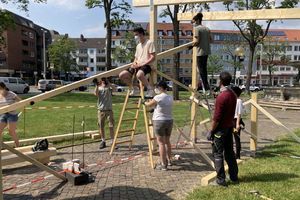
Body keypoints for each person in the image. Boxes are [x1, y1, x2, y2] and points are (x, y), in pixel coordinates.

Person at [208, 72, 238, 186]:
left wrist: (211, 131)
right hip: (229, 128)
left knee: (217, 154)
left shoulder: (222, 97)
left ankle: (221, 180)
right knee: (230, 153)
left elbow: (217, 118)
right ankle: (234, 177)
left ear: (220, 81)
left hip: (220, 130)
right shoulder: (232, 94)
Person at [144, 81, 173, 171]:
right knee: (167, 142)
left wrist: (144, 102)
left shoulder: (158, 97)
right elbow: (160, 106)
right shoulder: (170, 97)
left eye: (157, 87)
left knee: (161, 143)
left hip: (159, 121)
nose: (156, 89)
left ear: (160, 88)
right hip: (169, 121)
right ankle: (170, 160)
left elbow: (149, 104)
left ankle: (163, 164)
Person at [119, 27, 156, 97]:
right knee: (122, 75)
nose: (135, 37)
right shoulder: (138, 46)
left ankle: (150, 90)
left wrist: (142, 63)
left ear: (141, 34)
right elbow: (136, 58)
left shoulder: (149, 43)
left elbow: (153, 57)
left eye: (136, 35)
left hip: (147, 65)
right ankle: (135, 88)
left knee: (139, 75)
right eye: (134, 35)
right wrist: (134, 64)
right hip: (137, 65)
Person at [191, 13, 212, 92]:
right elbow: (211, 40)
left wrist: (192, 46)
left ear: (198, 20)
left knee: (201, 69)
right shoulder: (207, 29)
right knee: (204, 69)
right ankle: (206, 84)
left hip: (200, 52)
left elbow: (197, 41)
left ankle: (205, 86)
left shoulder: (197, 29)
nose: (194, 23)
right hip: (206, 51)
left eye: (194, 21)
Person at [94, 78, 116, 149]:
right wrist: (97, 85)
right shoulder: (99, 87)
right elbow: (95, 94)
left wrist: (108, 83)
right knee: (101, 126)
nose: (103, 81)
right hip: (101, 110)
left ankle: (113, 141)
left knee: (111, 126)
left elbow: (115, 89)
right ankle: (103, 141)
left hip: (109, 110)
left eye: (104, 79)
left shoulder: (109, 87)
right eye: (102, 80)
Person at [0, 82, 22, 147]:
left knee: (11, 131)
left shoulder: (11, 94)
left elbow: (20, 102)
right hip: (3, 114)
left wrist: (13, 106)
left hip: (12, 115)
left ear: (4, 88)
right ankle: (1, 146)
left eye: (0, 89)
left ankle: (17, 146)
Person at [231, 86, 245, 159]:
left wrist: (237, 124)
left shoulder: (239, 101)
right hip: (230, 120)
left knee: (237, 138)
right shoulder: (232, 100)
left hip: (236, 120)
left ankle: (238, 155)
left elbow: (239, 113)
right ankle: (231, 153)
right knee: (229, 138)